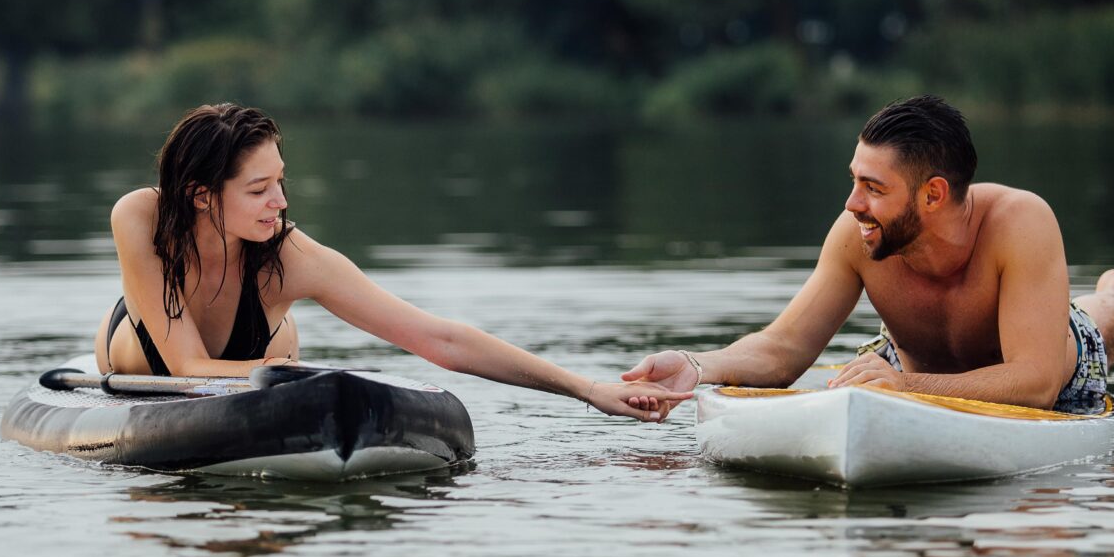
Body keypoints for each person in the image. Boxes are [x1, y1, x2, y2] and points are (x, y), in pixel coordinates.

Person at [95, 103, 690, 421]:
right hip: (147, 355)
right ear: (202, 195)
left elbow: (440, 339)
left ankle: (277, 353)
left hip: (260, 342)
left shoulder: (291, 256)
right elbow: (188, 365)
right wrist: (288, 373)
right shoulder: (141, 219)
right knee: (268, 359)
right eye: (257, 191)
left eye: (281, 182)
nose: (280, 204)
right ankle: (276, 360)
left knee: (281, 341)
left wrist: (589, 390)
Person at [624, 95, 1114, 414]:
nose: (852, 204)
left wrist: (904, 386)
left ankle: (1110, 295)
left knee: (1096, 320)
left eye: (872, 187)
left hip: (1042, 361)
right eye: (853, 181)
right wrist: (697, 364)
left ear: (932, 194)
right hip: (904, 366)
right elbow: (782, 348)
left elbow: (1037, 384)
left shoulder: (1021, 221)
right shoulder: (857, 234)